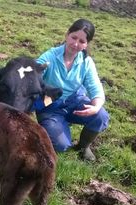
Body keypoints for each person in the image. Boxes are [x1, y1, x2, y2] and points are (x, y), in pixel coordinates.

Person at [33, 18, 109, 161]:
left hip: (74, 102)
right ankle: (57, 125)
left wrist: (96, 106)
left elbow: (95, 87)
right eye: (74, 37)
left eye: (82, 41)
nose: (75, 44)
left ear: (86, 45)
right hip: (50, 105)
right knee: (61, 146)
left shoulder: (86, 62)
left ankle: (83, 146)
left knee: (101, 116)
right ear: (67, 35)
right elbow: (34, 72)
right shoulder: (50, 56)